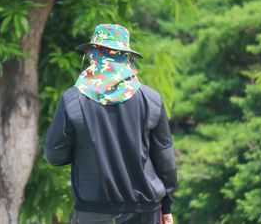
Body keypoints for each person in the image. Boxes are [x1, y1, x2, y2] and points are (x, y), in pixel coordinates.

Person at [44, 24, 177, 224]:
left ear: (93, 54)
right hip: (146, 212)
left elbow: (54, 154)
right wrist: (166, 207)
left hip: (92, 213)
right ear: (127, 57)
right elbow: (165, 159)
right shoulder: (151, 99)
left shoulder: (73, 100)